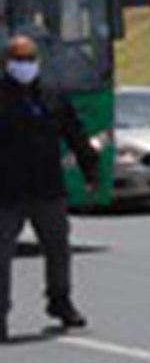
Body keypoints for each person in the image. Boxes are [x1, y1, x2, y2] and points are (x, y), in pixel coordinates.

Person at [0, 33, 99, 342]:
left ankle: (60, 301)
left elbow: (75, 134)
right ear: (6, 63)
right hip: (7, 193)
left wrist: (90, 170)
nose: (25, 66)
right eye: (19, 60)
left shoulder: (52, 95)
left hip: (47, 190)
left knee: (59, 250)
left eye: (30, 59)